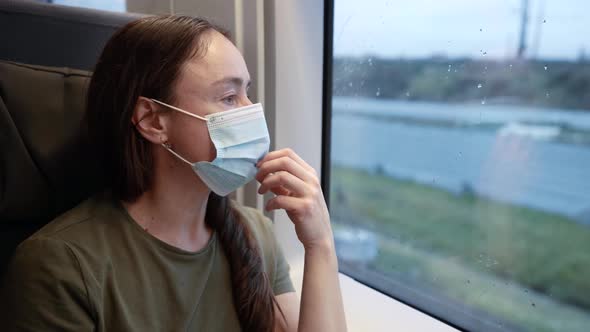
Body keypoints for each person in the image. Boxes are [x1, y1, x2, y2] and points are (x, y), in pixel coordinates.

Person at [0, 15, 346, 332]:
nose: (252, 112)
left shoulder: (255, 234)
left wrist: (320, 245)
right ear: (152, 120)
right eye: (229, 97)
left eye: (248, 93)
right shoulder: (59, 266)